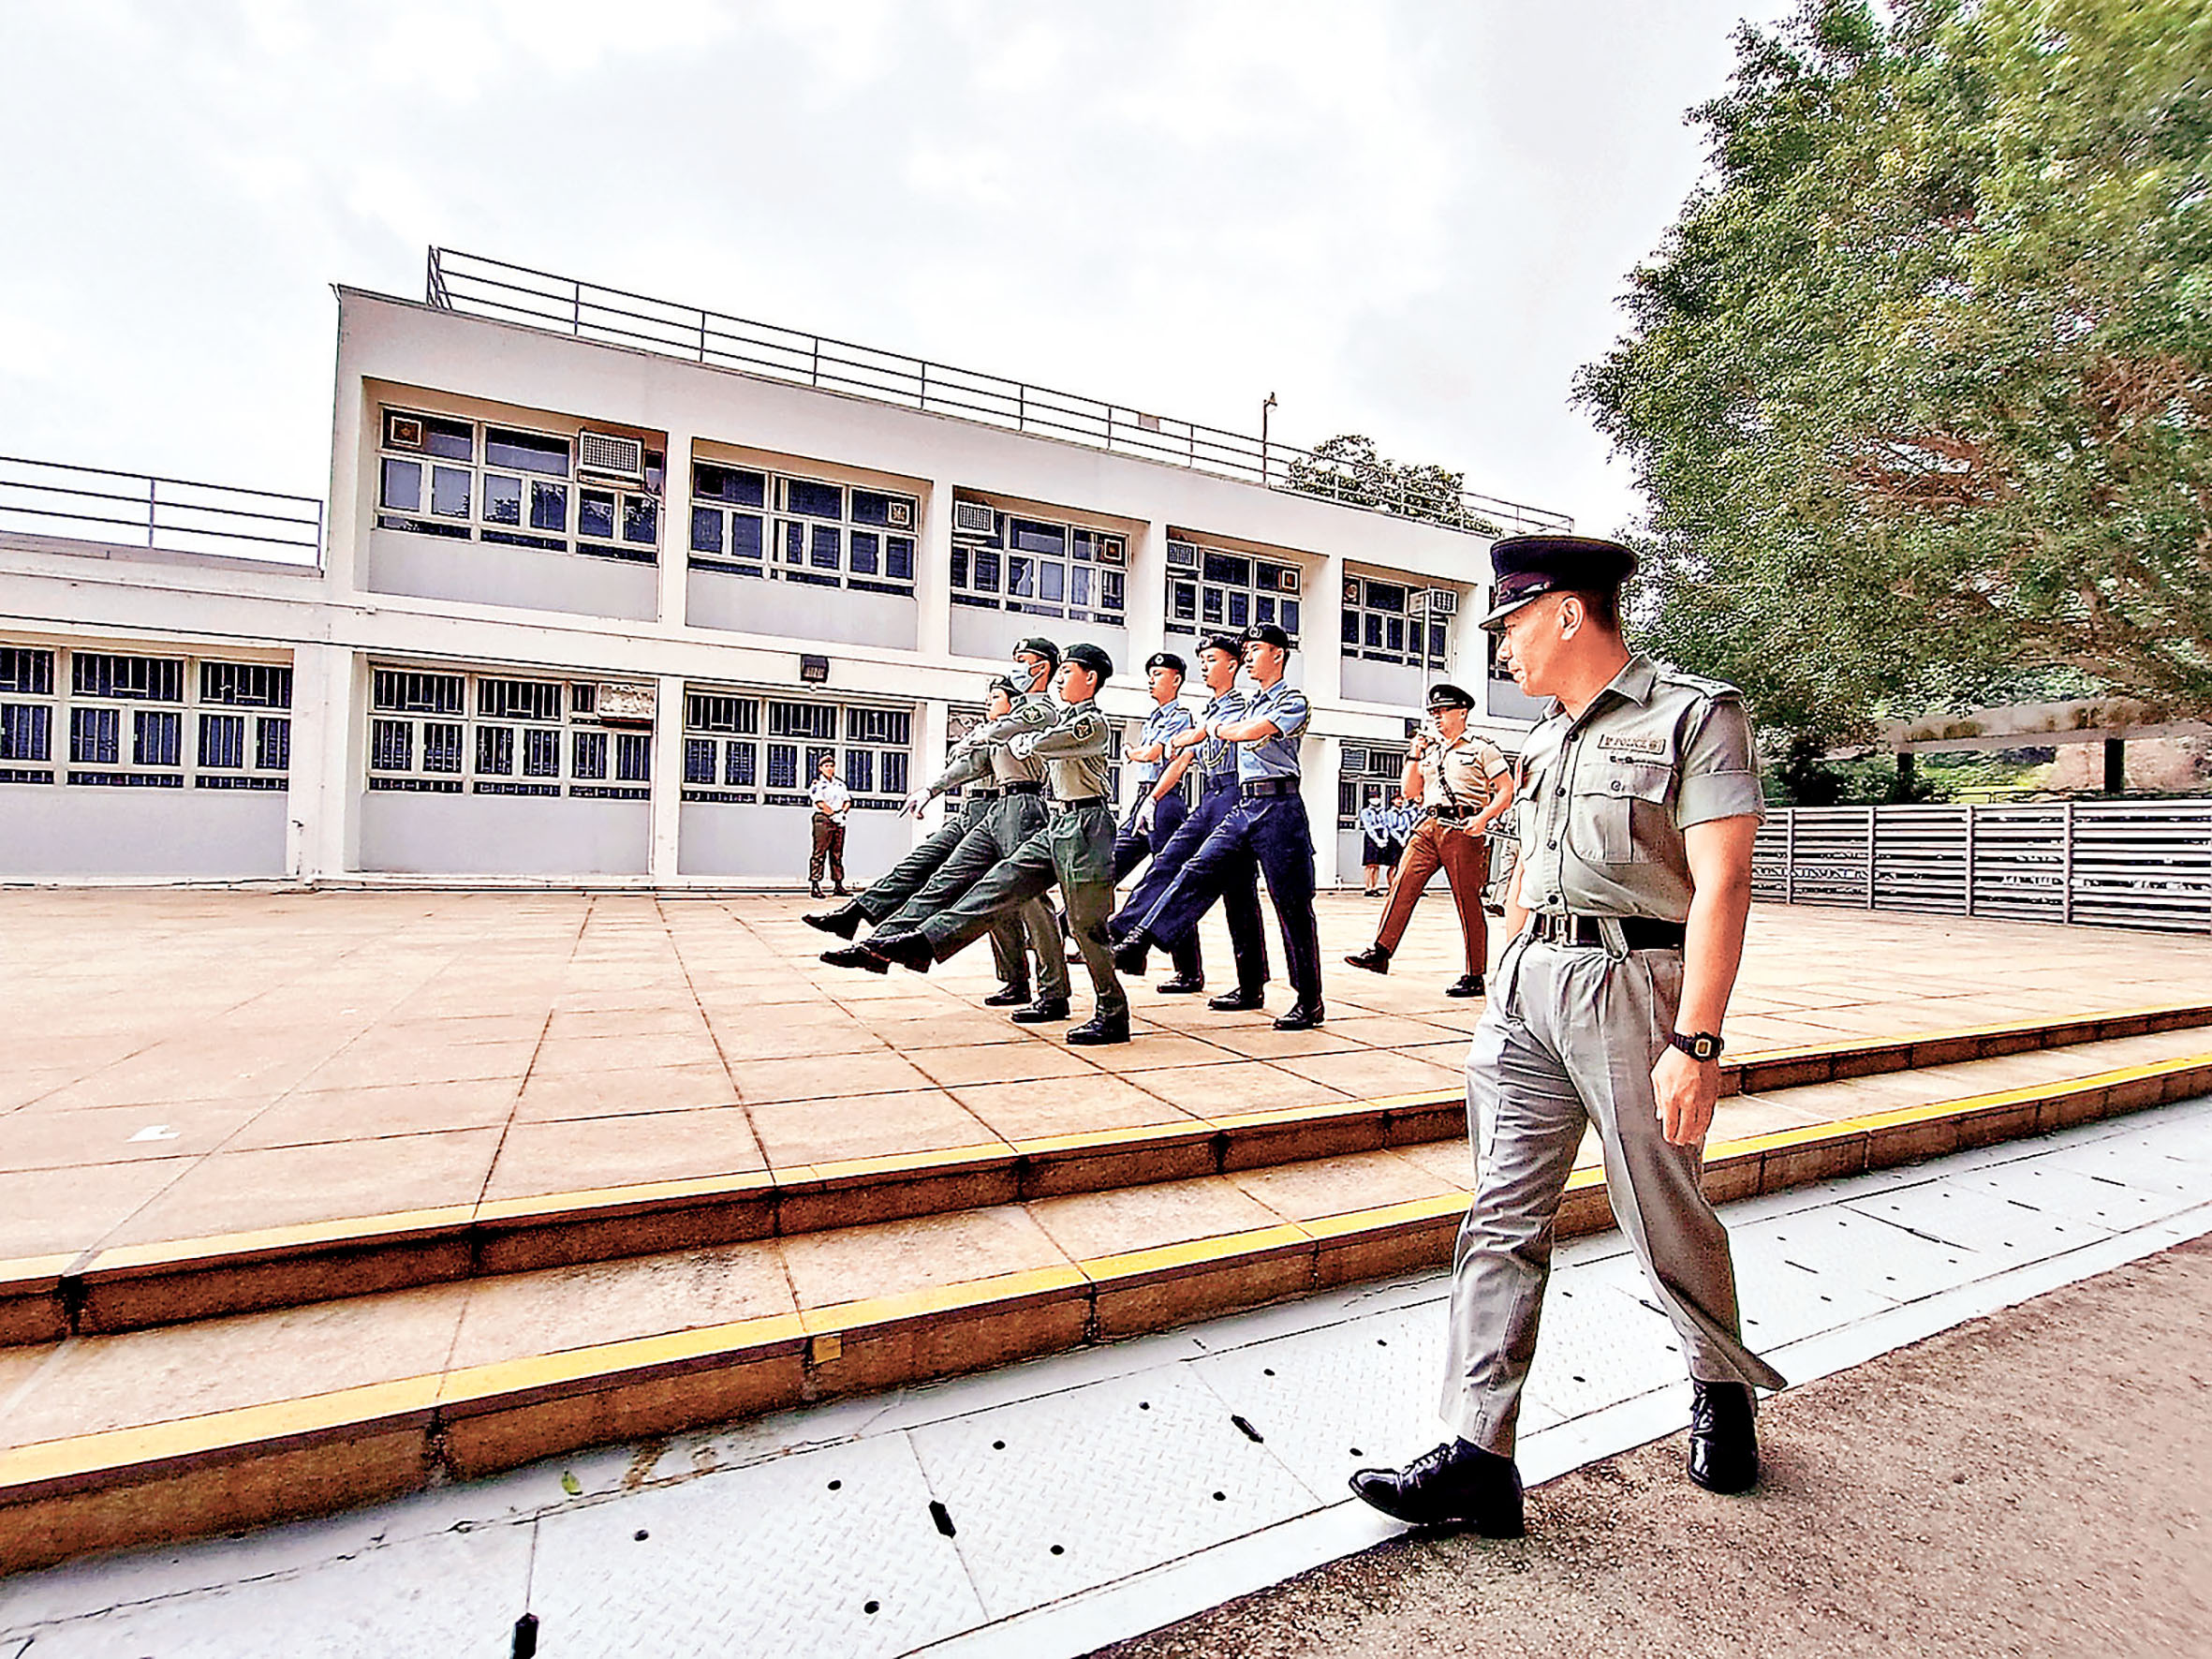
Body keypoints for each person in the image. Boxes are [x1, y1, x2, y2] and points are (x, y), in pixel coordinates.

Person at [1349, 533, 1785, 1540]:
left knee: (1662, 1207)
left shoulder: (1693, 717)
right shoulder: (1541, 741)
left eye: (1507, 626)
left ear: (1563, 613)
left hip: (1633, 985)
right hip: (1527, 989)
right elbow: (1521, 871)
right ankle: (1476, 1454)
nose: (1499, 649)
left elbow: (1723, 882)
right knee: (1497, 1215)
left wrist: (1699, 1042)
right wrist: (1501, 975)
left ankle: (1720, 1386)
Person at [865, 644, 1129, 1044]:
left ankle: (1112, 1014)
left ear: (1090, 678)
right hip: (1059, 821)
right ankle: (926, 942)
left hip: (1087, 825)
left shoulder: (1092, 723)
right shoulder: (1059, 717)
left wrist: (1023, 739)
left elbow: (1048, 740)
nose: (1059, 679)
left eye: (1067, 672)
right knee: (1000, 883)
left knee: (1085, 927)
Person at [815, 642, 1069, 1021]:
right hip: (999, 809)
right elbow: (974, 763)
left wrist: (980, 732)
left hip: (1026, 808)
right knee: (954, 883)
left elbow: (999, 733)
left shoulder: (1040, 710)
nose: (1016, 666)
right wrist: (931, 789)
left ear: (1042, 668)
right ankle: (879, 945)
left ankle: (1053, 993)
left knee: (1033, 906)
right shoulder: (1007, 718)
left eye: (1023, 662)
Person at [1115, 622, 1323, 1030]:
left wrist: (1208, 730)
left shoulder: (1292, 700)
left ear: (1278, 655)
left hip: (1280, 808)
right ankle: (1140, 940)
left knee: (1291, 906)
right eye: (1245, 650)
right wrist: (1179, 740)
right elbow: (1207, 730)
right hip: (1244, 805)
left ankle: (1309, 999)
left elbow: (1249, 732)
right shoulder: (1242, 704)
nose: (1248, 656)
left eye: (1255, 650)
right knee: (1198, 869)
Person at [1111, 633, 1272, 1009]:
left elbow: (1197, 746)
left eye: (1211, 660)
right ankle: (1126, 933)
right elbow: (1181, 753)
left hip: (1238, 797)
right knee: (1169, 862)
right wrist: (1152, 786)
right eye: (1202, 660)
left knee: (1239, 898)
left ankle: (1250, 986)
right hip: (1212, 796)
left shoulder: (1242, 708)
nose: (1204, 666)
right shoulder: (1208, 712)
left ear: (1232, 665)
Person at [1344, 684, 1514, 997]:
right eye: (1434, 712)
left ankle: (1475, 973)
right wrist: (1414, 753)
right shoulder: (1432, 751)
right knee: (1402, 883)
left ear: (1462, 712)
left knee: (1467, 901)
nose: (1437, 717)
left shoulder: (1482, 748)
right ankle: (1381, 952)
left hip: (1464, 827)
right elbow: (1409, 791)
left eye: (1443, 711)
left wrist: (1483, 818)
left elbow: (1506, 788)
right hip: (1429, 824)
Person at [1113, 652, 1204, 993]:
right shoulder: (1154, 716)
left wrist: (1134, 752)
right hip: (1143, 797)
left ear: (1176, 680)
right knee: (1112, 861)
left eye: (1159, 674)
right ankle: (1097, 938)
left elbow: (1156, 754)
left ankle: (1190, 971)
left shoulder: (1181, 717)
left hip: (1165, 801)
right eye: (1150, 674)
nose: (1152, 680)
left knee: (1169, 879)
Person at [806, 756, 850, 898]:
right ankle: (815, 885)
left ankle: (838, 884)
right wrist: (832, 815)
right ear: (820, 768)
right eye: (826, 766)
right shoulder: (817, 785)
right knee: (819, 853)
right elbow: (820, 803)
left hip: (838, 819)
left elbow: (847, 800)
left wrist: (842, 813)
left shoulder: (839, 784)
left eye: (831, 766)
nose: (829, 768)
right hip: (824, 819)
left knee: (837, 853)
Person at [1356, 794, 1394, 896]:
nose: (1376, 800)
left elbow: (1386, 825)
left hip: (1382, 834)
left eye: (1377, 797)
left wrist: (1385, 838)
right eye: (1373, 797)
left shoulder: (1383, 811)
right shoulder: (1366, 812)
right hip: (1371, 837)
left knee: (1377, 864)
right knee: (1370, 864)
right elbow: (1369, 827)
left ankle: (1375, 886)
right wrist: (1376, 839)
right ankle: (1368, 887)